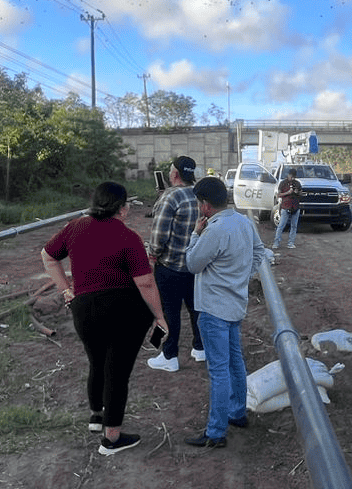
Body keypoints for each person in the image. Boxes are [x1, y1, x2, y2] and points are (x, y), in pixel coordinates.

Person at [41, 181, 168, 457]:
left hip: (84, 310)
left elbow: (48, 256)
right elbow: (146, 284)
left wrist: (66, 290)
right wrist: (160, 317)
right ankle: (112, 438)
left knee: (97, 361)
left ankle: (96, 416)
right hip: (123, 311)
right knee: (117, 371)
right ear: (122, 208)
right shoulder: (128, 237)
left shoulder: (74, 227)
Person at [183, 176, 267, 449]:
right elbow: (259, 252)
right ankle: (237, 412)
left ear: (205, 205)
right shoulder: (244, 222)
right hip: (234, 304)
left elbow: (193, 263)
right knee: (235, 362)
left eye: (199, 203)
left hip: (213, 307)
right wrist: (242, 277)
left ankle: (216, 431)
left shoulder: (214, 230)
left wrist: (195, 233)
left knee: (218, 370)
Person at [146, 155, 205, 373]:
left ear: (175, 174)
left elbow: (159, 235)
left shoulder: (170, 197)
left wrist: (152, 255)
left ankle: (169, 356)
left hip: (170, 266)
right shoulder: (200, 195)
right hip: (195, 265)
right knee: (195, 308)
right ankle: (200, 348)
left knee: (169, 312)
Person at [272, 168, 302, 251]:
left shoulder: (297, 183)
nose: (292, 178)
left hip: (295, 207)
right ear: (288, 175)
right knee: (281, 225)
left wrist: (297, 192)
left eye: (294, 177)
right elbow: (278, 195)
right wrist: (288, 193)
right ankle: (276, 243)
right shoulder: (283, 183)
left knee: (294, 226)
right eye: (291, 176)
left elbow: (301, 193)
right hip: (285, 207)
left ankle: (291, 243)